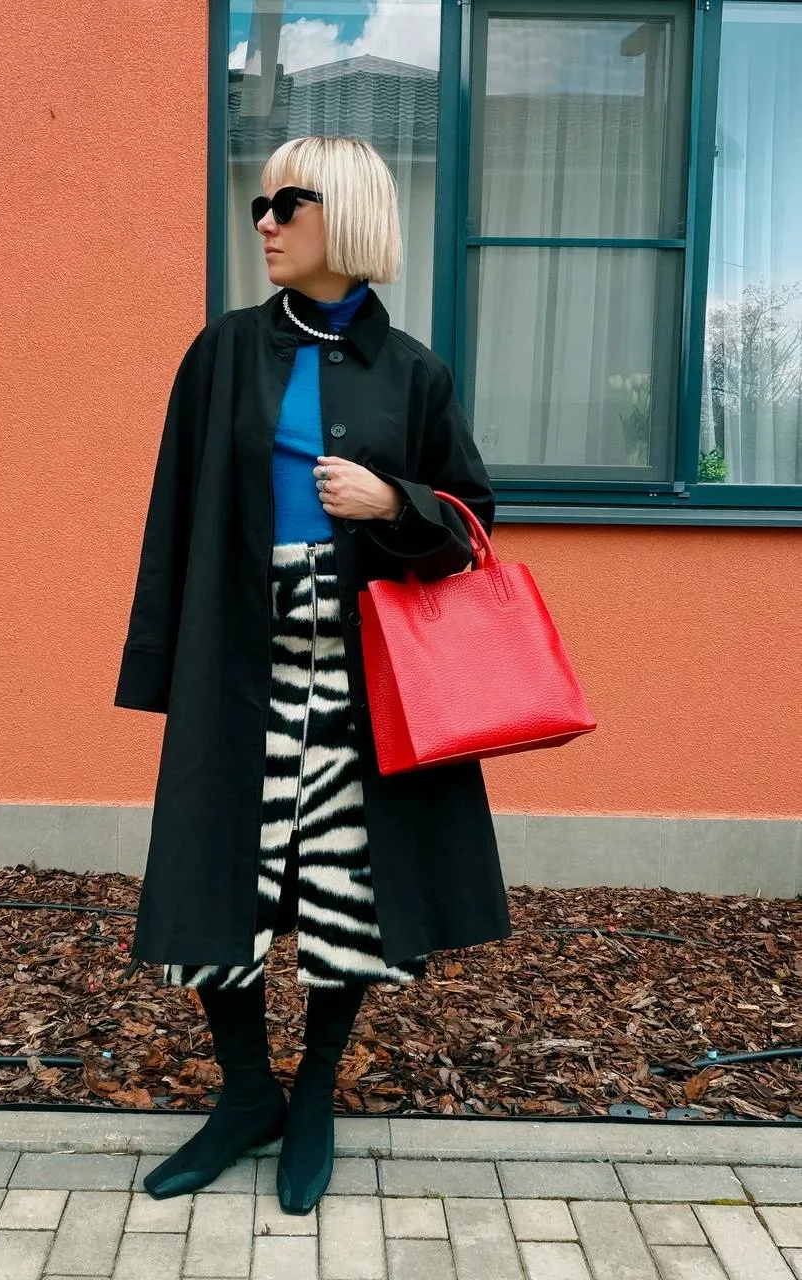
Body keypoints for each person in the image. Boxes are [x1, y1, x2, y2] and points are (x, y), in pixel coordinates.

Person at [114, 135, 510, 1214]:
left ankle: (317, 1090)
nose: (265, 221)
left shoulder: (414, 371)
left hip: (359, 673)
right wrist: (159, 663)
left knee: (351, 888)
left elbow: (470, 523)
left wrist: (395, 505)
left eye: (287, 202)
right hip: (236, 662)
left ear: (349, 214)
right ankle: (247, 1092)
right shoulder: (221, 353)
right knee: (218, 879)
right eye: (260, 203)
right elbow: (171, 515)